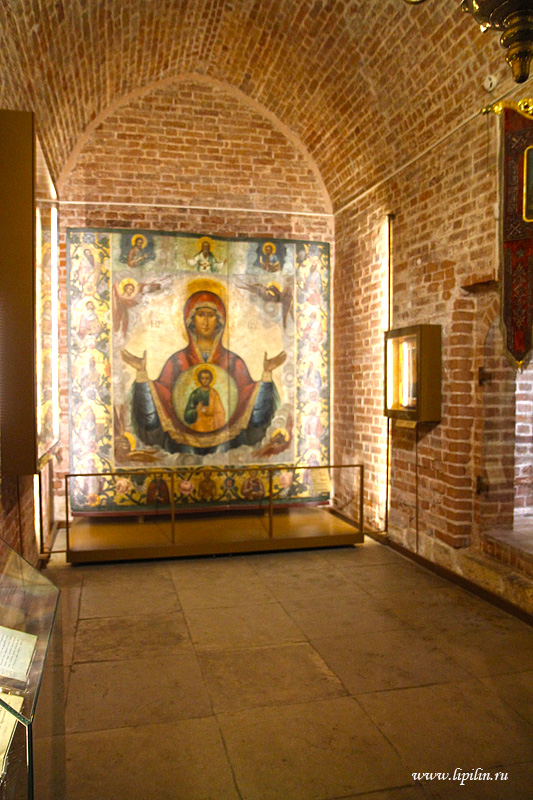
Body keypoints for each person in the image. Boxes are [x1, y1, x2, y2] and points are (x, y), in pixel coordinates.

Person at [121, 290, 286, 454]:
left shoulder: (233, 362)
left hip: (227, 443)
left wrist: (266, 374)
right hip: (182, 442)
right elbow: (158, 403)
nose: (206, 322)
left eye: (211, 315)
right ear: (190, 320)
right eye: (200, 315)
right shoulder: (177, 361)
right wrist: (141, 374)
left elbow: (251, 407)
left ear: (220, 320)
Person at [184, 367, 226, 432]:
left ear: (210, 379)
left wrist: (208, 411)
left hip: (212, 425)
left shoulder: (214, 393)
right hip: (198, 424)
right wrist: (196, 410)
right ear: (199, 379)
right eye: (202, 378)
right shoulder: (195, 394)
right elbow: (187, 414)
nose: (205, 380)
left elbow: (220, 412)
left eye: (207, 378)